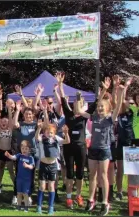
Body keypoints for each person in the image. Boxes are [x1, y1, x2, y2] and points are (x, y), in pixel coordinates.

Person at [80, 80, 126, 216]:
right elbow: (79, 112)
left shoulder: (110, 119)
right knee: (92, 175)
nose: (100, 108)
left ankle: (105, 202)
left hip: (105, 150)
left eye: (102, 107)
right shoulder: (93, 117)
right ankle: (91, 200)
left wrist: (121, 92)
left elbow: (117, 108)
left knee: (103, 175)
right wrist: (103, 91)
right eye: (98, 107)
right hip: (93, 149)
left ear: (107, 109)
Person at [56, 72, 98, 209]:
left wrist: (103, 91)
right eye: (75, 103)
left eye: (79, 103)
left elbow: (96, 104)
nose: (76, 105)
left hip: (81, 147)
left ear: (82, 105)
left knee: (80, 173)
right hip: (68, 146)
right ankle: (68, 197)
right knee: (69, 173)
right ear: (73, 105)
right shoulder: (68, 114)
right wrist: (60, 84)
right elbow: (62, 99)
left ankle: (78, 195)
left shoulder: (84, 117)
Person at [36, 122, 70, 214]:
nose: (49, 134)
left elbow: (67, 141)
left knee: (51, 187)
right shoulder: (42, 138)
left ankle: (50, 207)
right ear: (45, 132)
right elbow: (36, 137)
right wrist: (39, 129)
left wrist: (66, 133)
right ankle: (39, 206)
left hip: (53, 166)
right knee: (42, 186)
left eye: (51, 132)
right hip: (43, 165)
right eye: (47, 132)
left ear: (54, 133)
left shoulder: (56, 138)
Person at [115, 91, 135, 201]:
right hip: (121, 145)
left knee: (132, 171)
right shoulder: (121, 113)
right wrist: (123, 89)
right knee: (120, 170)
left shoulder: (135, 114)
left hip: (132, 144)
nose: (131, 105)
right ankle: (119, 192)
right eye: (129, 103)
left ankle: (132, 191)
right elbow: (119, 101)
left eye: (133, 103)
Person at [4, 141, 35, 212]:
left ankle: (26, 207)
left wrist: (27, 166)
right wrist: (8, 155)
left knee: (25, 194)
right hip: (19, 179)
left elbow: (32, 167)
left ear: (29, 150)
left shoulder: (31, 158)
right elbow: (13, 157)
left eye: (26, 149)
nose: (24, 150)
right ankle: (18, 206)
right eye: (23, 148)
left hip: (26, 180)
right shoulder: (19, 155)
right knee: (19, 193)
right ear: (20, 149)